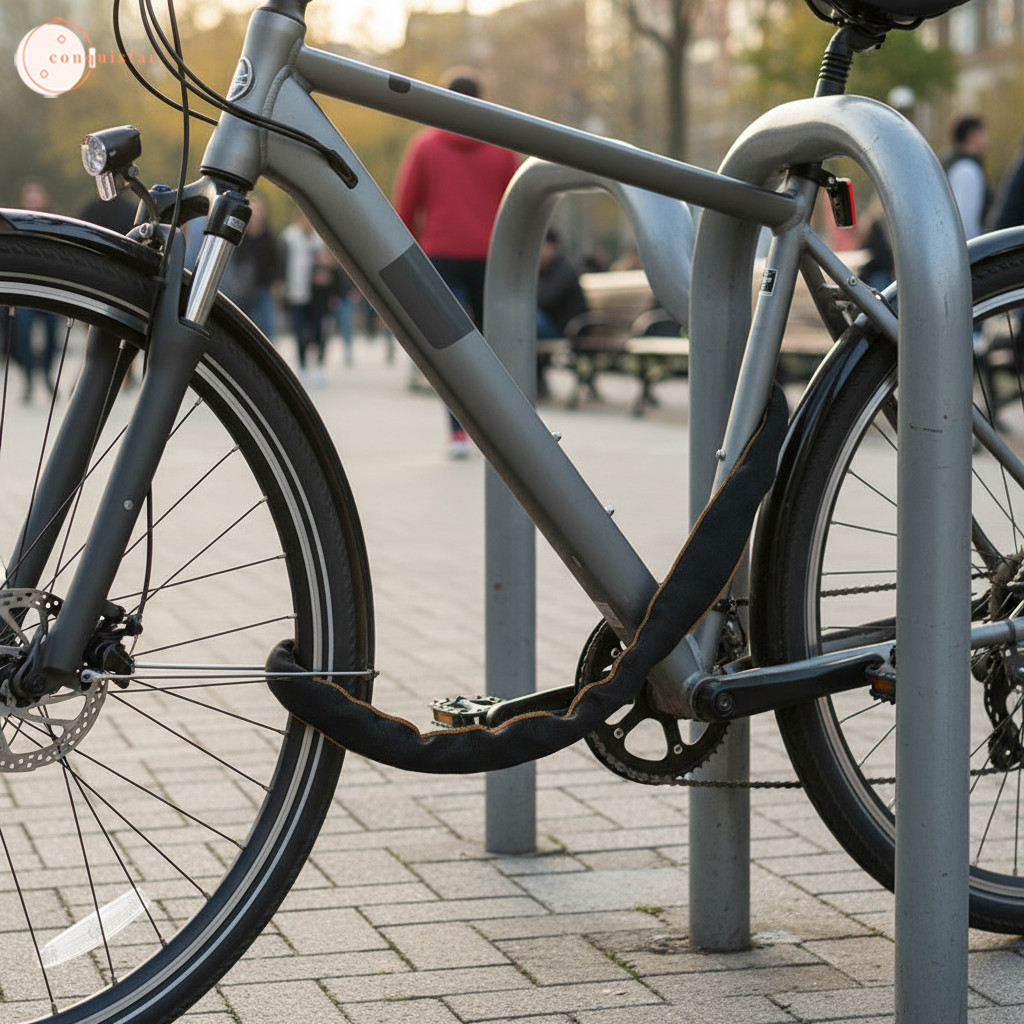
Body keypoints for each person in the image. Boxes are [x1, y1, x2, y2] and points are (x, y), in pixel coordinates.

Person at [393, 69, 520, 457]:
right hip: (490, 257)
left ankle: (457, 432)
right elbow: (517, 208)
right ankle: (497, 427)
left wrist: (409, 256)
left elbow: (404, 207)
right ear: (480, 101)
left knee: (448, 345)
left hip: (440, 257)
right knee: (492, 344)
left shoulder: (425, 147)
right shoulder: (501, 149)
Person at [12, 179, 60, 402]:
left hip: (51, 289)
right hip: (25, 291)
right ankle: (29, 380)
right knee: (22, 337)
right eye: (29, 197)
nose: (33, 201)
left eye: (36, 196)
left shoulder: (54, 223)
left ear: (44, 199)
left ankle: (48, 376)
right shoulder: (15, 224)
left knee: (52, 337)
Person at [221, 193, 280, 341]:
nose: (256, 215)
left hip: (263, 288)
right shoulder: (240, 236)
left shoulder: (269, 236)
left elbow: (276, 263)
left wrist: (274, 282)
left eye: (259, 211)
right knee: (245, 326)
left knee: (266, 328)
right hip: (243, 290)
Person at [536, 229, 588, 396]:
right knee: (524, 322)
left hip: (569, 328)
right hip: (554, 325)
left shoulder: (564, 269)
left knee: (528, 320)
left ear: (552, 247)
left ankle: (534, 380)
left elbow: (544, 300)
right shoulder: (546, 269)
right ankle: (535, 379)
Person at [944, 114, 990, 240]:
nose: (987, 138)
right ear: (971, 135)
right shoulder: (967, 169)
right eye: (983, 133)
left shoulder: (951, 162)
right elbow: (965, 223)